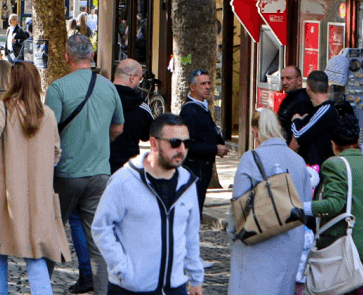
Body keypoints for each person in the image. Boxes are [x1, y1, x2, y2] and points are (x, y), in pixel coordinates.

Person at [0, 62, 70, 294]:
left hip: (5, 191)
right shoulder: (47, 113)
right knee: (36, 252)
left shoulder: (5, 108)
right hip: (37, 194)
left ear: (13, 81)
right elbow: (56, 153)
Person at [44, 34, 124, 295]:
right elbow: (118, 127)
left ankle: (41, 286)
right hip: (100, 173)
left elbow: (48, 132)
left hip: (65, 173)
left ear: (67, 57)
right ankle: (102, 291)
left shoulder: (58, 88)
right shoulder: (109, 87)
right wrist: (103, 141)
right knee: (98, 240)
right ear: (92, 57)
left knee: (53, 232)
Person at [92, 113, 204, 295]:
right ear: (154, 143)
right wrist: (121, 268)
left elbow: (191, 235)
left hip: (175, 288)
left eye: (186, 143)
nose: (182, 149)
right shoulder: (124, 181)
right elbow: (101, 227)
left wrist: (196, 278)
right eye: (175, 142)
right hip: (130, 288)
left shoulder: (188, 183)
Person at [305, 114, 363, 295]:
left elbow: (332, 204)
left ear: (333, 143)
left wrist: (302, 208)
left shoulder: (334, 164)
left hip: (340, 252)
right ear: (357, 140)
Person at [228, 108, 311, 295]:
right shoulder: (298, 160)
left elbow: (238, 205)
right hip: (290, 239)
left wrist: (233, 234)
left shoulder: (250, 159)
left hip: (256, 239)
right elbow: (305, 204)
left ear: (256, 131)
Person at [180, 68, 229, 225]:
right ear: (192, 87)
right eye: (203, 84)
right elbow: (188, 145)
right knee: (192, 216)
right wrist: (215, 149)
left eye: (209, 83)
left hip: (203, 169)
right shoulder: (190, 111)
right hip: (194, 169)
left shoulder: (202, 107)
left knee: (196, 212)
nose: (208, 87)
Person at [109, 59, 154, 174]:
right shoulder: (141, 106)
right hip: (128, 167)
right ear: (132, 78)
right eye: (140, 79)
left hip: (99, 166)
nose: (140, 82)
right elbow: (148, 135)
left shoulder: (100, 99)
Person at [290, 70, 340, 167]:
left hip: (319, 168)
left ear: (308, 88)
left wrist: (295, 120)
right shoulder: (322, 110)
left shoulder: (324, 110)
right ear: (328, 88)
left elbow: (299, 135)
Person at [278, 66, 312, 141]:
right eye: (282, 79)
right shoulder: (290, 97)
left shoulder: (302, 101)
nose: (284, 82)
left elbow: (298, 136)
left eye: (288, 78)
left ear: (299, 80)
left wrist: (288, 152)